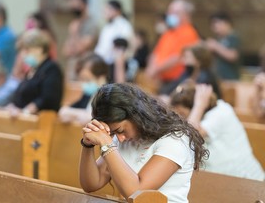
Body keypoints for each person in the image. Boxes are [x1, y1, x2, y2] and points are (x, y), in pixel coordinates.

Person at [79, 83, 208, 203]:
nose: (120, 138)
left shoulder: (176, 139)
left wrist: (107, 145)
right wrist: (88, 145)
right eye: (112, 134)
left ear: (136, 116)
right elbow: (91, 184)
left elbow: (137, 194)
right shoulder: (120, 140)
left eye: (120, 130)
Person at [170, 83, 265, 181]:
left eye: (182, 114)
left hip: (250, 181)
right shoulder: (198, 117)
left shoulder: (221, 109)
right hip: (223, 182)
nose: (181, 120)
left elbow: (191, 133)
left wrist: (199, 105)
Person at [146, 0, 199, 94]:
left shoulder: (189, 33)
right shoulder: (168, 33)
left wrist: (156, 69)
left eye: (174, 12)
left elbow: (177, 57)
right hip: (163, 81)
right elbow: (156, 53)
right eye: (169, 11)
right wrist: (151, 69)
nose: (169, 14)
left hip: (178, 82)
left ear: (185, 14)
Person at [7, 29, 63, 115]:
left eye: (27, 50)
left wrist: (25, 112)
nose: (23, 55)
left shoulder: (52, 69)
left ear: (39, 49)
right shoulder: (33, 70)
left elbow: (48, 98)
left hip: (41, 120)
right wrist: (12, 106)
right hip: (21, 116)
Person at [58, 53, 108, 125]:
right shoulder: (87, 95)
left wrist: (75, 115)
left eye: (87, 80)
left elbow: (93, 119)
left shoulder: (109, 98)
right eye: (81, 79)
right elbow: (63, 112)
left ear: (101, 77)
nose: (83, 84)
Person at [62, 0, 99, 81]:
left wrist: (74, 33)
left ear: (84, 5)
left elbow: (81, 49)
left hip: (84, 71)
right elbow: (66, 52)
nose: (74, 7)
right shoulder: (74, 23)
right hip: (71, 71)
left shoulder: (91, 25)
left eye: (77, 4)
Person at [94, 0, 133, 65]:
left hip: (115, 63)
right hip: (103, 61)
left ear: (116, 10)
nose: (104, 12)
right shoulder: (108, 26)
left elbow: (121, 46)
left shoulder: (123, 25)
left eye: (107, 9)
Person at [206, 12, 240, 80]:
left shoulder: (233, 38)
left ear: (226, 23)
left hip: (230, 78)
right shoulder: (219, 39)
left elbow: (233, 56)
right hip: (218, 78)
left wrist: (216, 46)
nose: (214, 27)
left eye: (216, 23)